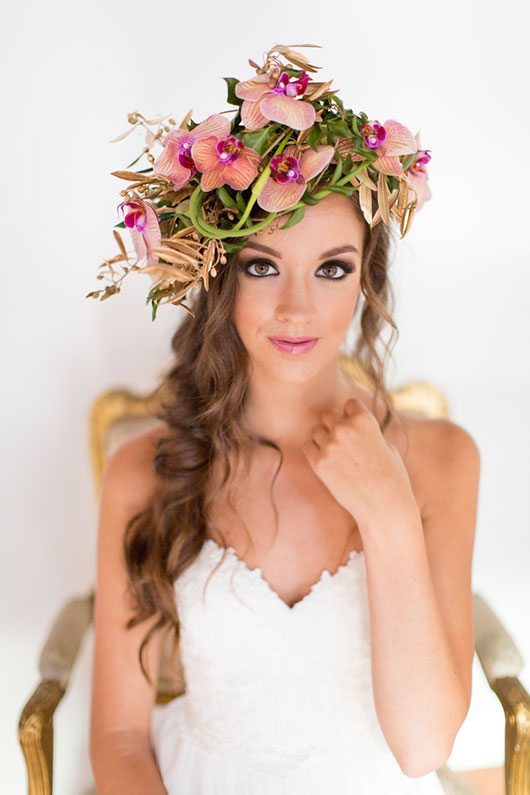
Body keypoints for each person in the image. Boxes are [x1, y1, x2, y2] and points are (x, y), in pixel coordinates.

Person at [89, 44, 480, 795]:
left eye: (332, 268)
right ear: (215, 273)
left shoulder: (441, 459)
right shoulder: (145, 470)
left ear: (365, 281)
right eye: (261, 266)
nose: (297, 309)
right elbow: (117, 737)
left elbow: (423, 745)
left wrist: (388, 512)